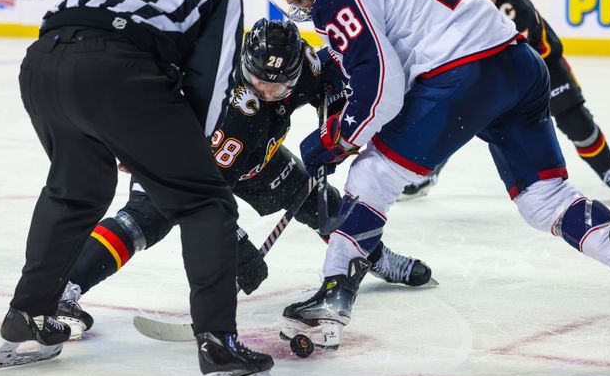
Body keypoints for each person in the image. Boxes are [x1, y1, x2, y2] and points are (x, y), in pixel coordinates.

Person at [255, 0, 610, 352]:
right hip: (517, 63)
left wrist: (335, 141)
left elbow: (382, 89)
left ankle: (332, 300)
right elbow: (392, 53)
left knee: (372, 174)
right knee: (544, 200)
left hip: (464, 71)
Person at [0, 0, 275, 376]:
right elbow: (209, 84)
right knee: (205, 201)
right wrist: (169, 155)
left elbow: (71, 21)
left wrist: (133, 130)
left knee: (75, 190)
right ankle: (220, 347)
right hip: (118, 73)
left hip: (43, 65)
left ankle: (26, 320)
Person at [56, 18, 433, 336]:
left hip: (255, 158)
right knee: (145, 219)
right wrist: (238, 249)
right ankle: (63, 289)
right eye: (258, 82)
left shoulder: (300, 64)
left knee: (313, 196)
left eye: (278, 85)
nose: (268, 91)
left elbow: (330, 75)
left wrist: (330, 122)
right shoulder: (235, 112)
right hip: (176, 163)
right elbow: (204, 198)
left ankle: (374, 256)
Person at [402, 0, 610, 200]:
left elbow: (512, 61)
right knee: (458, 116)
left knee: (575, 120)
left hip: (541, 63)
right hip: (490, 64)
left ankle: (608, 170)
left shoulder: (516, 10)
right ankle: (430, 173)